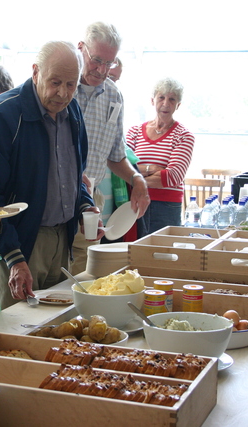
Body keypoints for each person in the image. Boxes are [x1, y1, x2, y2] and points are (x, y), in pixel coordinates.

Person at [0, 41, 102, 309]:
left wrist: (85, 206)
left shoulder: (73, 113)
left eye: (70, 84)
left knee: (56, 326)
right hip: (20, 244)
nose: (63, 93)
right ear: (35, 72)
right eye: (55, 82)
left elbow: (73, 177)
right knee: (17, 332)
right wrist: (13, 257)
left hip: (62, 239)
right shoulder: (4, 113)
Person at [70, 22, 150, 274]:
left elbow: (116, 156)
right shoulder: (62, 89)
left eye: (109, 63)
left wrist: (137, 178)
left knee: (81, 276)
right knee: (46, 275)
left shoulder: (113, 96)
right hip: (52, 197)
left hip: (89, 200)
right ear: (80, 48)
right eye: (96, 60)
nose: (102, 69)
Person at [126, 77, 195, 237]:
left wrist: (135, 176)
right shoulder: (134, 131)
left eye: (172, 99)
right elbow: (124, 166)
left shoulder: (184, 136)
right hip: (135, 201)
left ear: (178, 105)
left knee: (162, 255)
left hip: (166, 206)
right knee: (133, 252)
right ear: (152, 100)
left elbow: (173, 177)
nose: (166, 103)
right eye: (161, 98)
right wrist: (154, 169)